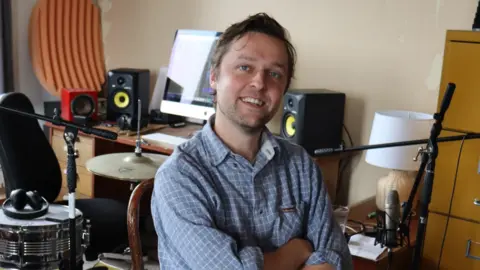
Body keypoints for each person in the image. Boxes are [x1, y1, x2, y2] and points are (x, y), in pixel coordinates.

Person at [151, 12, 353, 270]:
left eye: (275, 74)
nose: (259, 82)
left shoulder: (301, 165)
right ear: (214, 77)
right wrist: (293, 253)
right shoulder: (180, 176)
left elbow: (334, 257)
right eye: (244, 67)